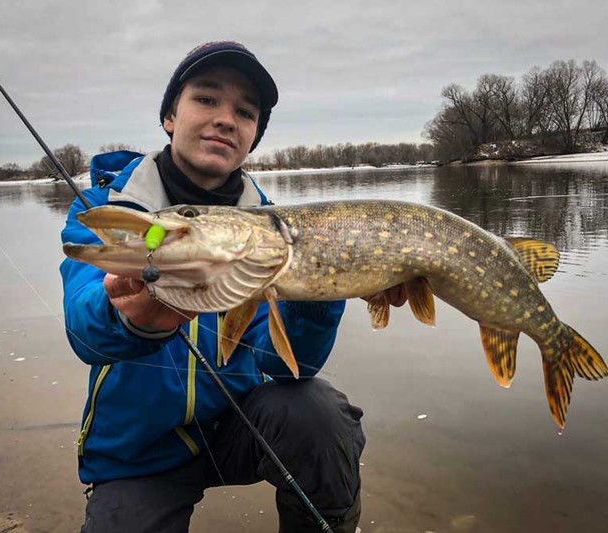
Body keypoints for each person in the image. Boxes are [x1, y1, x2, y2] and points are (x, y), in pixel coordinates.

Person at [61, 41, 378, 533]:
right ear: (169, 115)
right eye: (206, 99)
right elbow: (84, 333)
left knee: (319, 414)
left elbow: (290, 367)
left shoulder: (276, 232)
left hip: (238, 426)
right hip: (138, 450)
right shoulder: (109, 208)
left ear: (252, 135)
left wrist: (324, 288)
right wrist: (126, 315)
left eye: (245, 112)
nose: (226, 119)